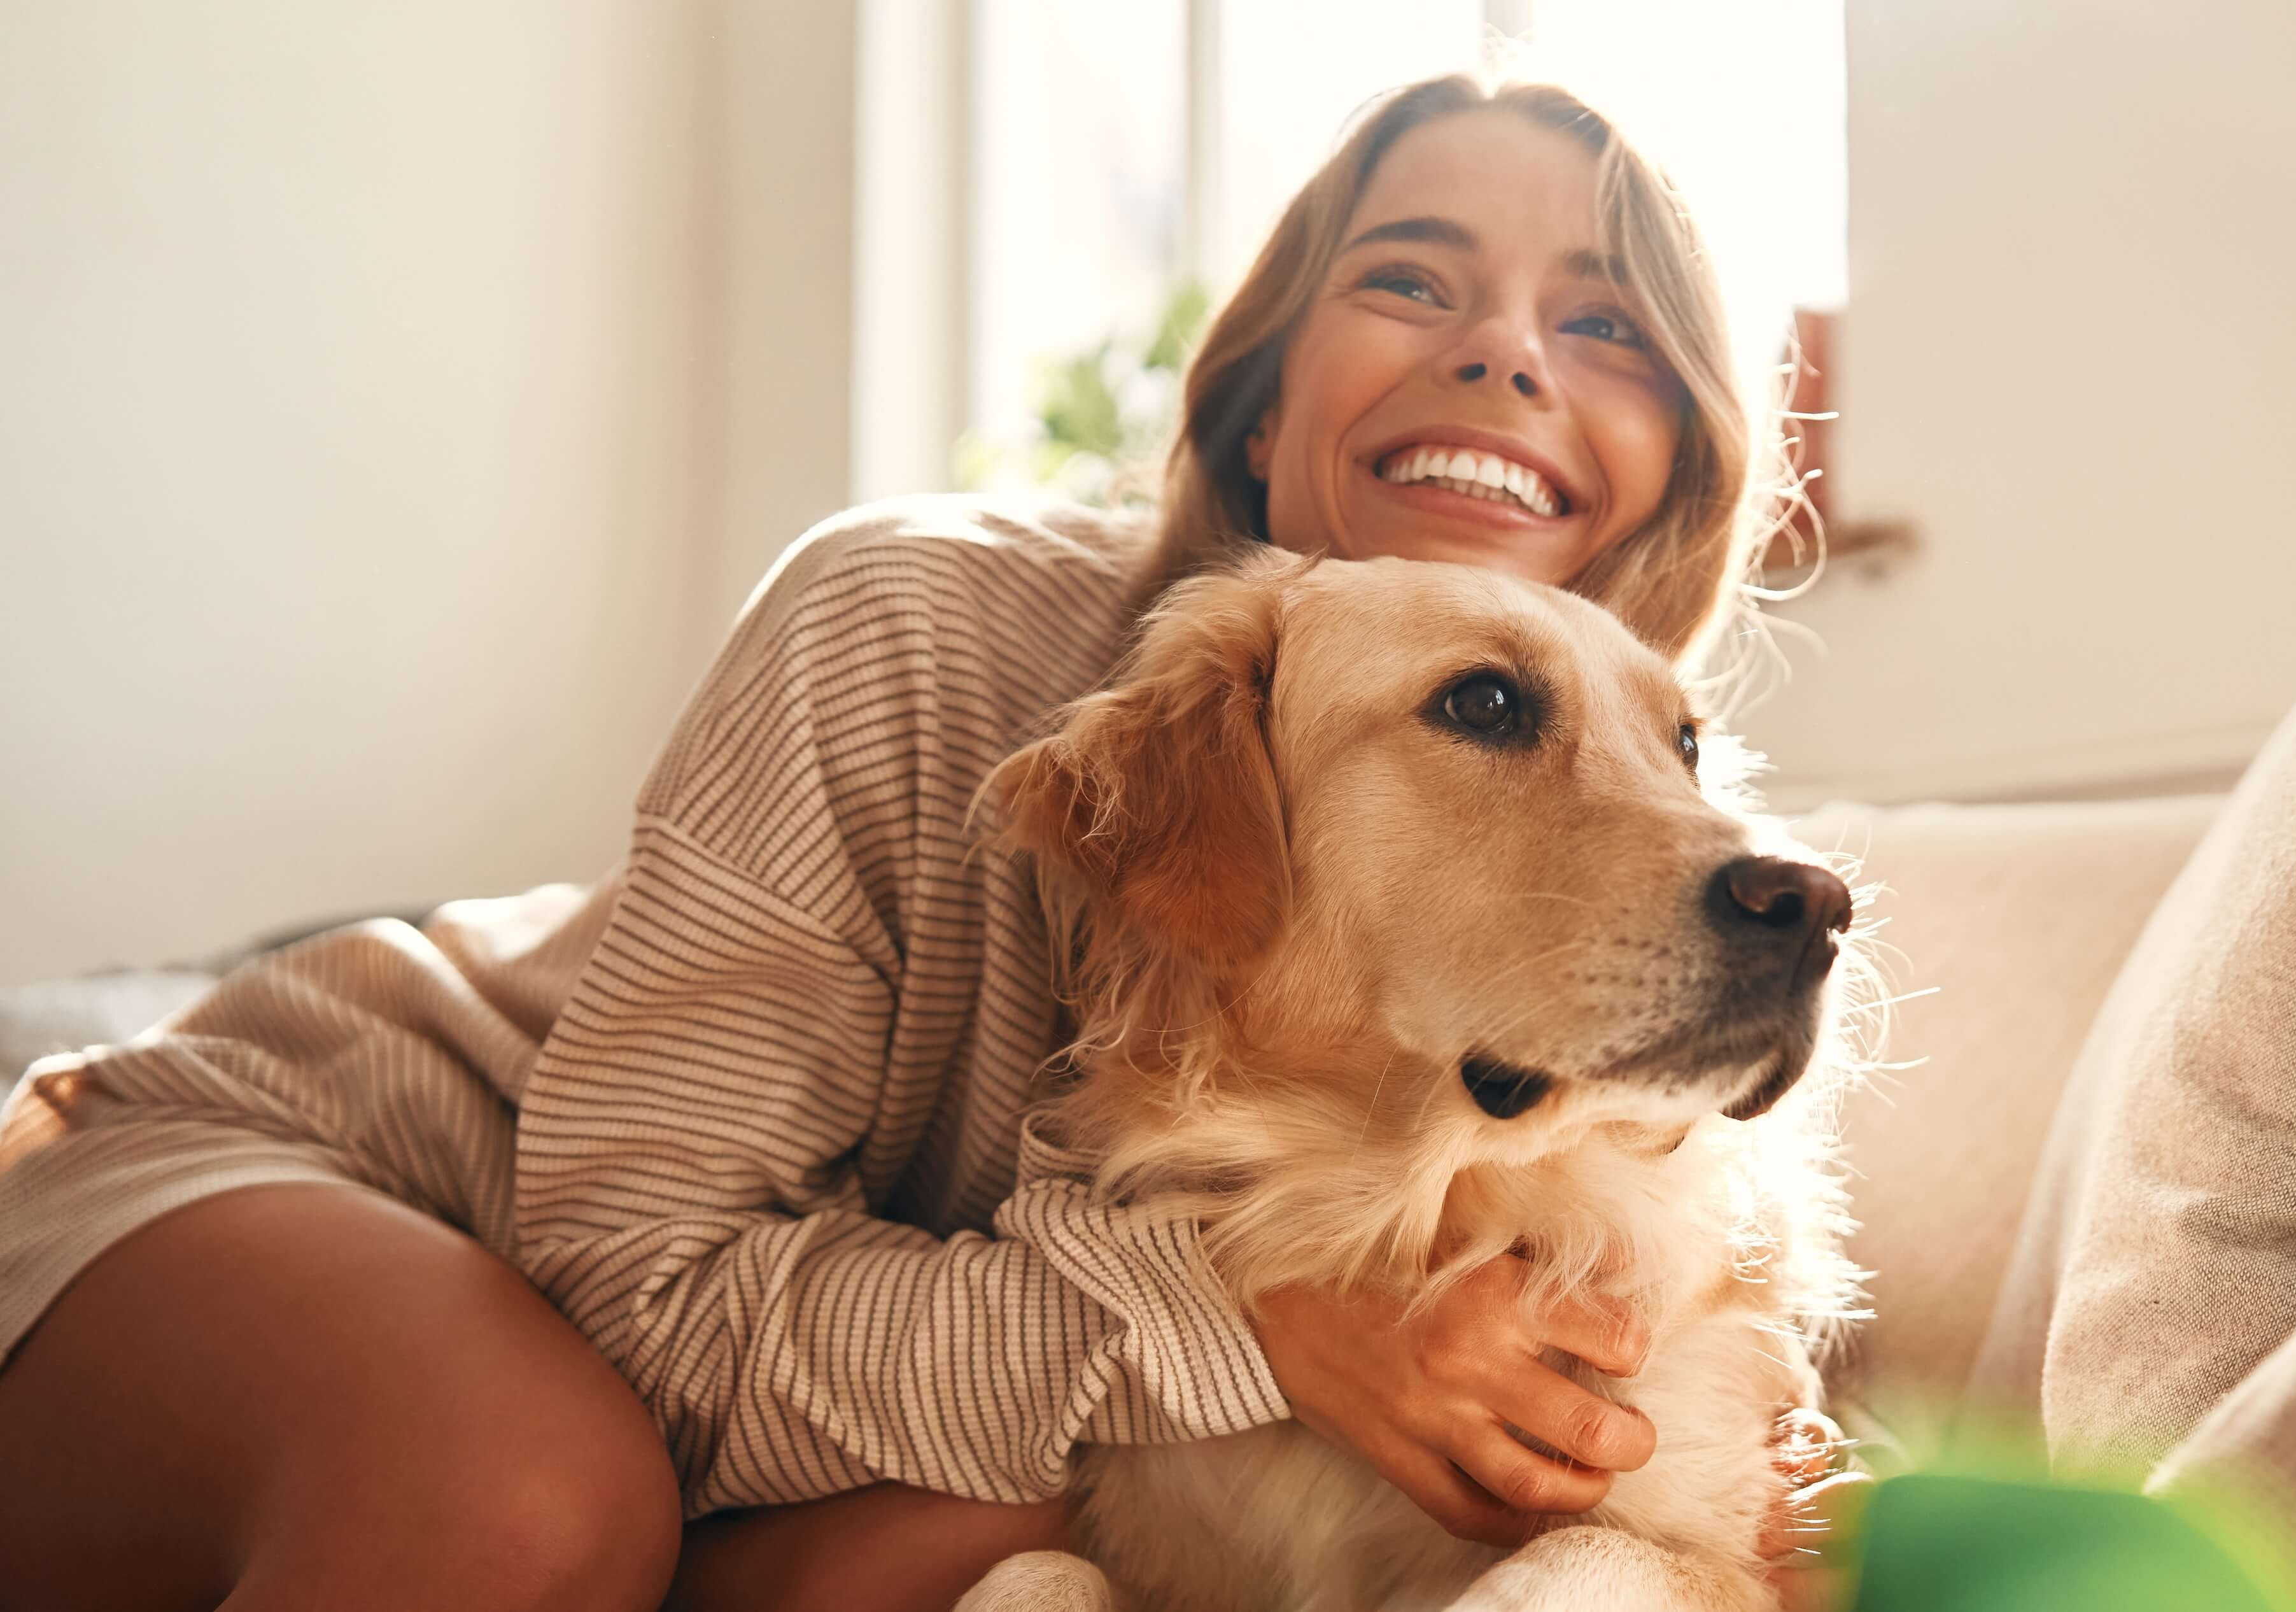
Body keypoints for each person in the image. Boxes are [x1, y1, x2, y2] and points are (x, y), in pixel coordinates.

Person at [0, 73, 1851, 1612]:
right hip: (335, 1165)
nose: (1511, 354)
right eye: (1411, 276)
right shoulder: (907, 616)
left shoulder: (1622, 853)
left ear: (1671, 485)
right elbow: (639, 1278)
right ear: (1258, 401)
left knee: (1001, 1546)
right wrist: (1253, 1321)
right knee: (521, 1497)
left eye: (1603, 322)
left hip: (814, 1388)